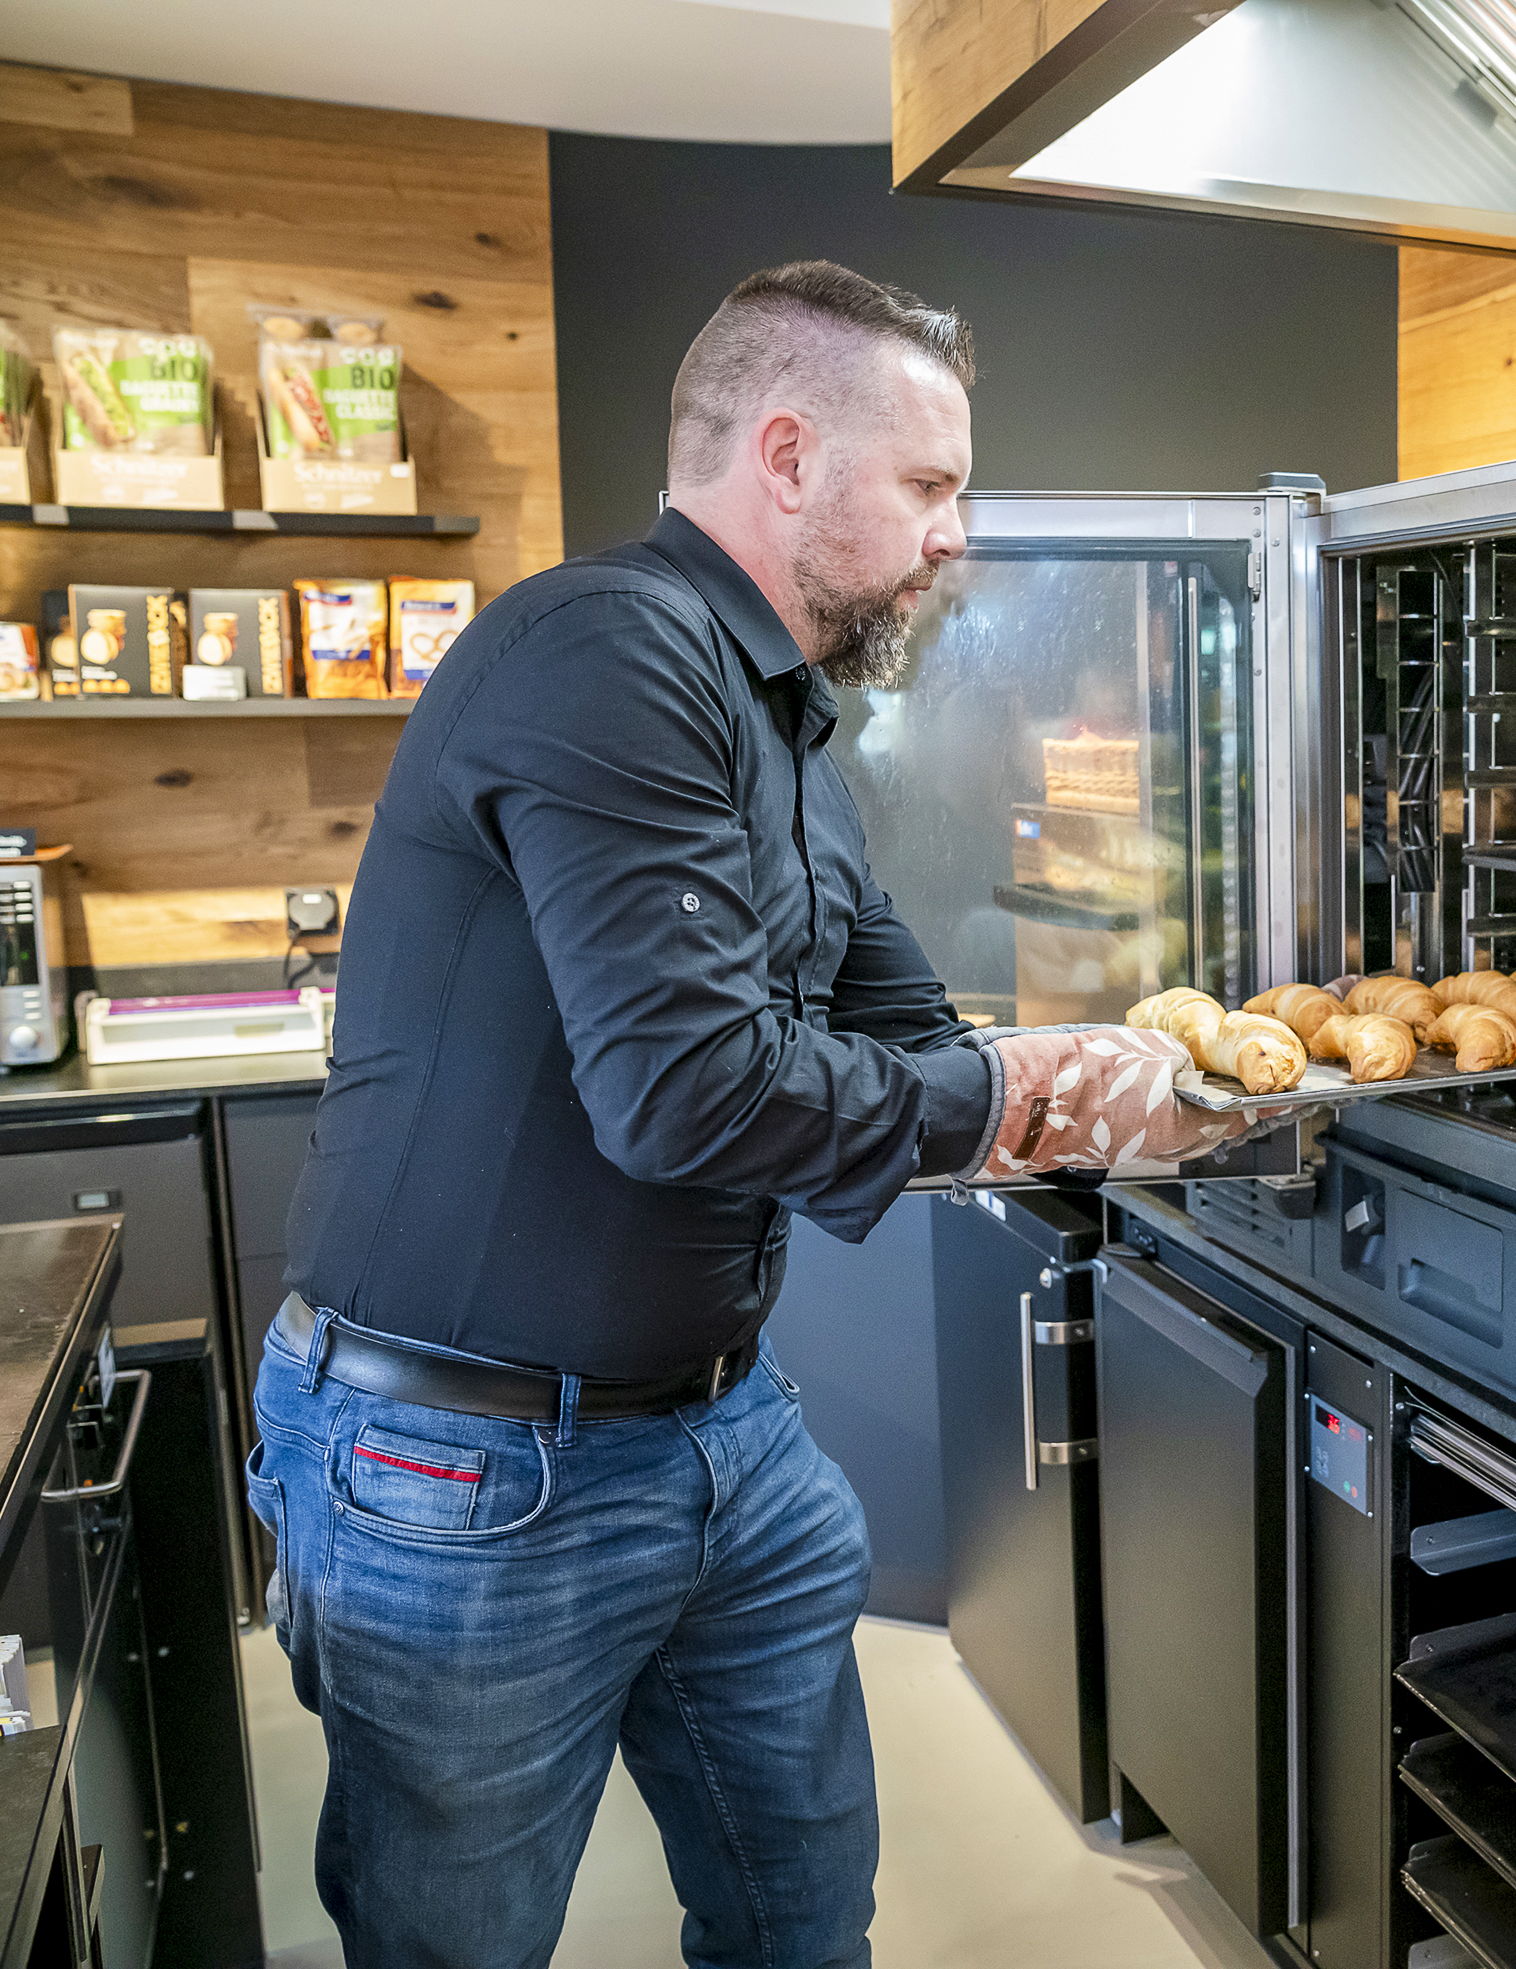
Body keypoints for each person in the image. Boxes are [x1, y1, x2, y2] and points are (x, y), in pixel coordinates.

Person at [254, 260, 1236, 1968]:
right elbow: (688, 1090)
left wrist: (1130, 1086)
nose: (953, 535)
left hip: (722, 1435)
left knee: (800, 1918)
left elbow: (908, 1034)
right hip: (460, 1464)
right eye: (927, 484)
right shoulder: (604, 650)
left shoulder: (790, 737)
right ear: (786, 455)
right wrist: (1029, 1095)